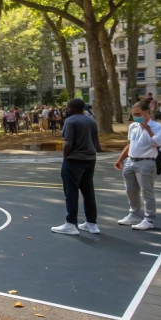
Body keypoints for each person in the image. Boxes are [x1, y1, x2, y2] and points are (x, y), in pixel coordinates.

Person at [51, 99, 101, 236]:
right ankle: (92, 223)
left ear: (72, 108)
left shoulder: (71, 121)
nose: (66, 109)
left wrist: (65, 157)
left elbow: (67, 142)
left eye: (67, 107)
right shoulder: (91, 121)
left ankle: (71, 223)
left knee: (71, 192)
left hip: (74, 159)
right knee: (88, 191)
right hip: (90, 159)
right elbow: (96, 142)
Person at [114, 101, 161, 231]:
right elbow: (130, 144)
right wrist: (120, 159)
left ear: (147, 111)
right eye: (134, 115)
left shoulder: (157, 126)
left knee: (147, 192)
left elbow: (158, 143)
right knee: (131, 190)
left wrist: (147, 129)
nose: (136, 117)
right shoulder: (133, 126)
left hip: (146, 162)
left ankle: (149, 219)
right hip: (131, 161)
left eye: (138, 114)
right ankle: (135, 214)